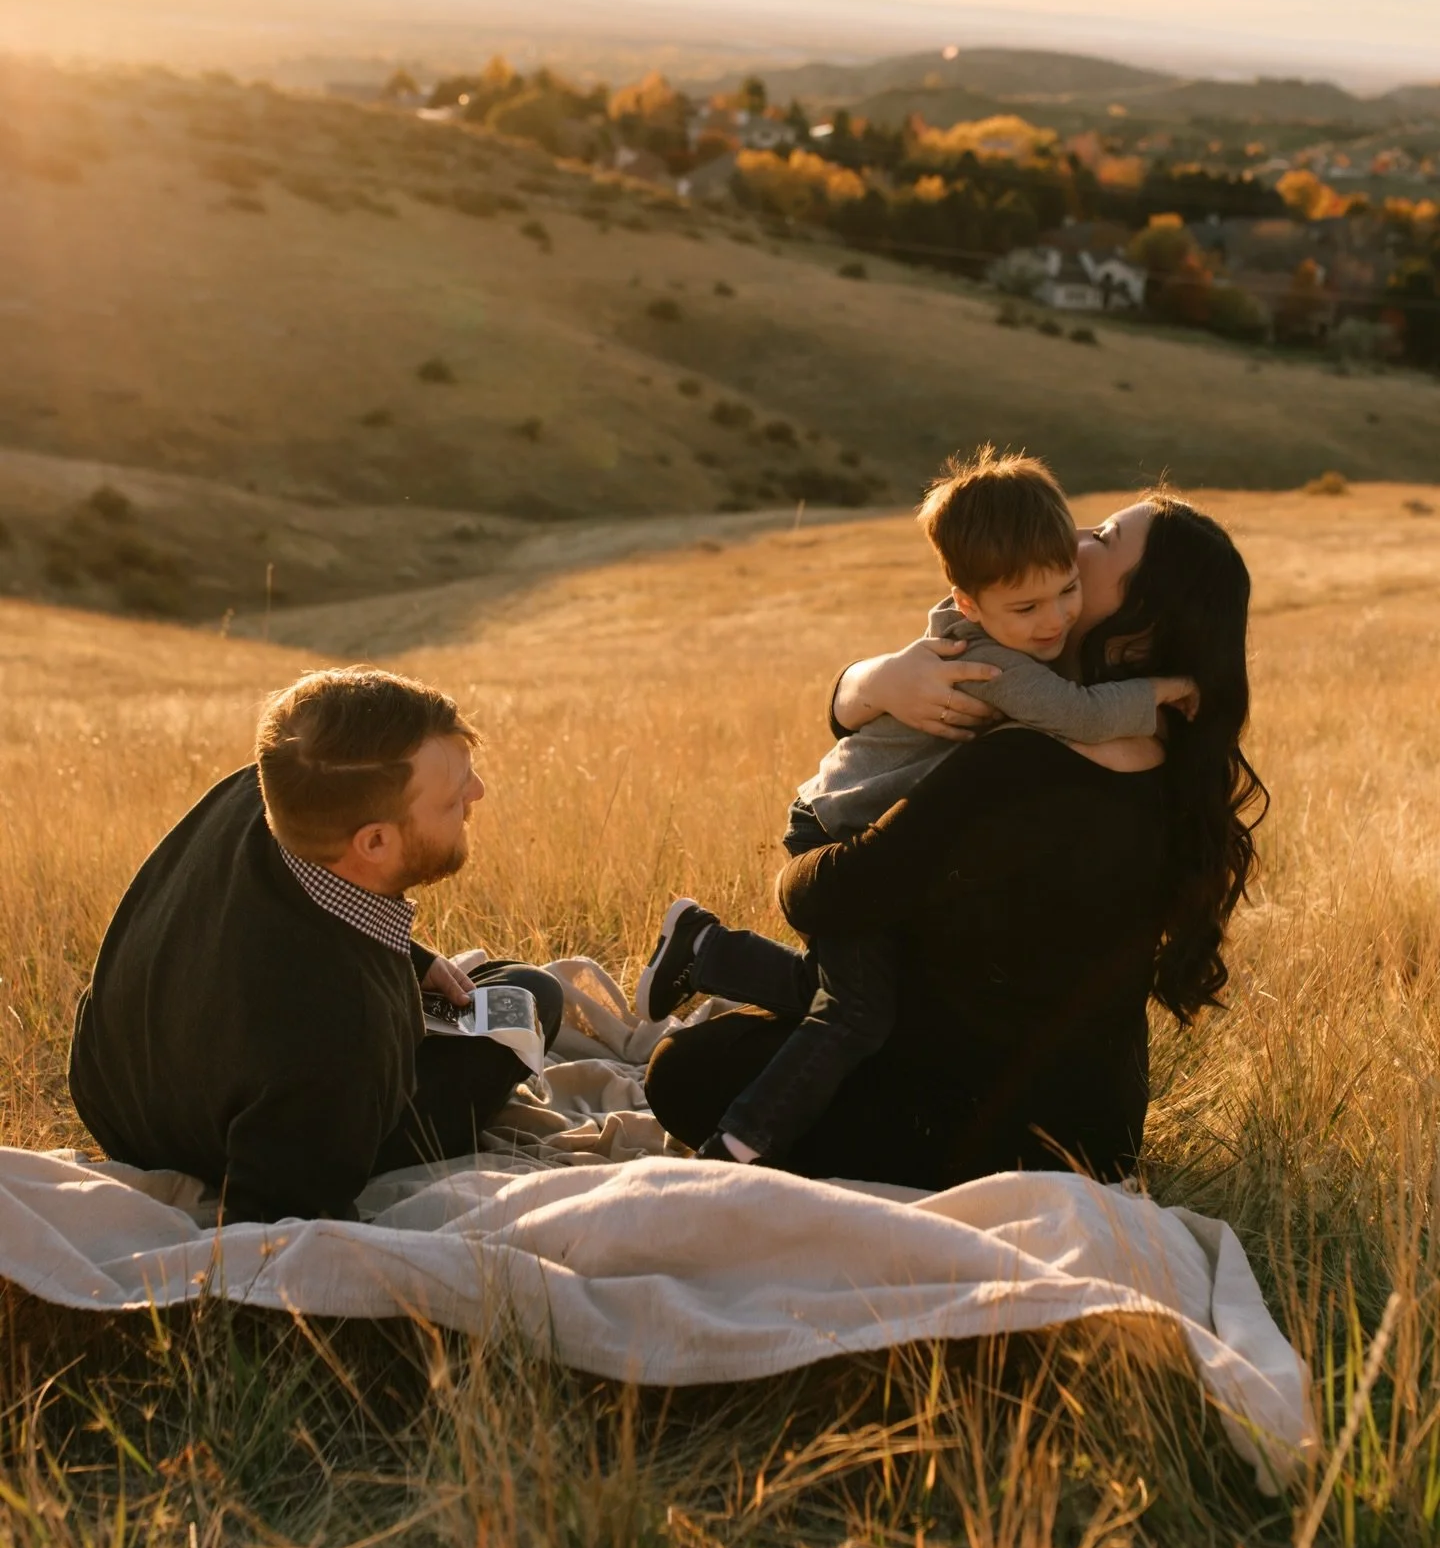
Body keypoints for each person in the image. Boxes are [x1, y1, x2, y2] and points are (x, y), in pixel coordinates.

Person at [645, 490, 1266, 1192]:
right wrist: (869, 682)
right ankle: (709, 953)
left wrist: (799, 858)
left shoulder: (1024, 759)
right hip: (1099, 1127)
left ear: (1138, 621)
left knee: (684, 1065)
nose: (1077, 533)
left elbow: (828, 899)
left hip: (979, 1121)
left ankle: (710, 958)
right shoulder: (1167, 762)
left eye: (1104, 534)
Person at [68, 667, 564, 1222]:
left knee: (495, 994)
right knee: (532, 996)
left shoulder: (285, 788)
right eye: (452, 799)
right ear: (374, 841)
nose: (477, 794)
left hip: (115, 1089)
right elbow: (276, 1230)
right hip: (223, 1147)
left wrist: (412, 958)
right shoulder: (341, 1034)